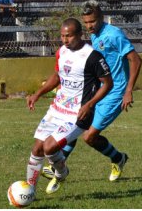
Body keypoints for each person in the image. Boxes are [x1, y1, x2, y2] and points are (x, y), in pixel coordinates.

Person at [41, 0, 142, 191]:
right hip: (98, 91)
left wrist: (128, 91)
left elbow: (135, 60)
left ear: (101, 17)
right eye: (86, 23)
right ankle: (57, 171)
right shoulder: (94, 36)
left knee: (88, 136)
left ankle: (118, 158)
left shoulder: (114, 35)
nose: (89, 26)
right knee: (77, 125)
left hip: (115, 92)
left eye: (92, 22)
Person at [26, 18, 113, 195]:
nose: (65, 40)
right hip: (57, 109)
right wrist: (38, 93)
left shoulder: (93, 56)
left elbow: (108, 84)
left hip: (79, 114)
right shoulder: (61, 52)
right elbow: (57, 76)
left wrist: (90, 105)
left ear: (80, 34)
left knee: (50, 148)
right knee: (37, 149)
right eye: (62, 36)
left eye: (69, 36)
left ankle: (62, 172)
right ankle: (30, 190)